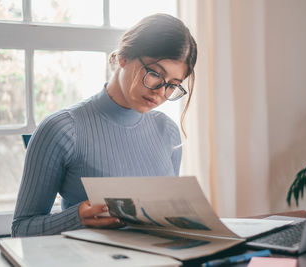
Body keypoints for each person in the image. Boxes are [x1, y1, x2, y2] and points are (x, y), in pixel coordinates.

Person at [12, 13, 197, 237]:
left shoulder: (167, 131)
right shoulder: (61, 129)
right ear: (124, 58)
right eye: (155, 74)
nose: (160, 91)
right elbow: (21, 229)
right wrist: (77, 218)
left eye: (173, 85)